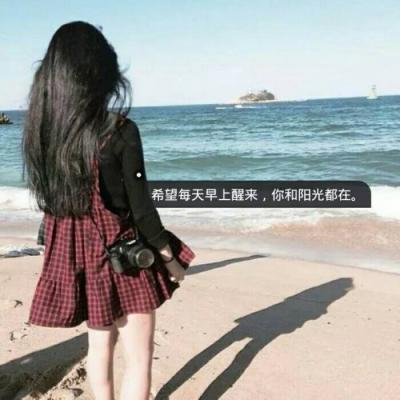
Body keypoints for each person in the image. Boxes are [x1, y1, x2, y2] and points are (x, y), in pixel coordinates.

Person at [21, 21, 195, 400]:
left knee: (99, 348)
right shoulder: (120, 131)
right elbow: (141, 207)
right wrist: (170, 259)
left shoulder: (45, 135)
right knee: (139, 360)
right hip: (124, 259)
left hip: (79, 259)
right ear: (102, 73)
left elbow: (51, 203)